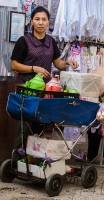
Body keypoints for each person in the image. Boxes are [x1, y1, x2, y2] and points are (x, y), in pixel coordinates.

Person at [11, 6, 78, 149]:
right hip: (27, 92)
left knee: (42, 128)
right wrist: (34, 68)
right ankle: (17, 162)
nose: (40, 22)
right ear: (32, 22)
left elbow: (57, 63)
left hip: (45, 93)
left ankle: (37, 162)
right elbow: (14, 65)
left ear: (48, 22)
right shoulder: (24, 41)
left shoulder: (51, 42)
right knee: (24, 128)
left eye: (44, 19)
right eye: (37, 19)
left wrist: (67, 63)